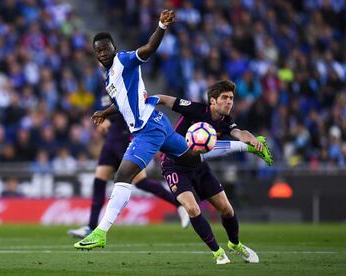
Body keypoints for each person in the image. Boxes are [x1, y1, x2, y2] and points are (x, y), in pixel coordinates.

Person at [74, 9, 203, 251]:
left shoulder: (124, 60)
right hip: (158, 122)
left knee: (123, 176)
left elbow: (148, 49)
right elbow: (122, 102)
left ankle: (100, 232)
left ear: (113, 47)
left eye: (105, 48)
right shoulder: (109, 77)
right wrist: (105, 113)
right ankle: (244, 144)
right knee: (193, 156)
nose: (102, 53)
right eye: (98, 50)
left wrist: (161, 27)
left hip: (147, 129)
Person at [154, 80, 270, 264]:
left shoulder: (226, 122)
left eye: (231, 98)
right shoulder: (196, 109)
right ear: (213, 101)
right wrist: (148, 100)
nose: (229, 102)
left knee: (227, 209)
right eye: (224, 98)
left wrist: (253, 140)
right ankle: (218, 253)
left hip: (198, 166)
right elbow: (165, 99)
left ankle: (235, 244)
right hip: (173, 165)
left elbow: (240, 133)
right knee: (192, 208)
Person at [67, 93, 190, 239]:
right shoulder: (105, 85)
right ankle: (90, 226)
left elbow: (129, 107)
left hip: (125, 138)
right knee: (99, 181)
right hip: (110, 142)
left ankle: (179, 205)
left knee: (141, 182)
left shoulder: (122, 80)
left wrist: (109, 119)